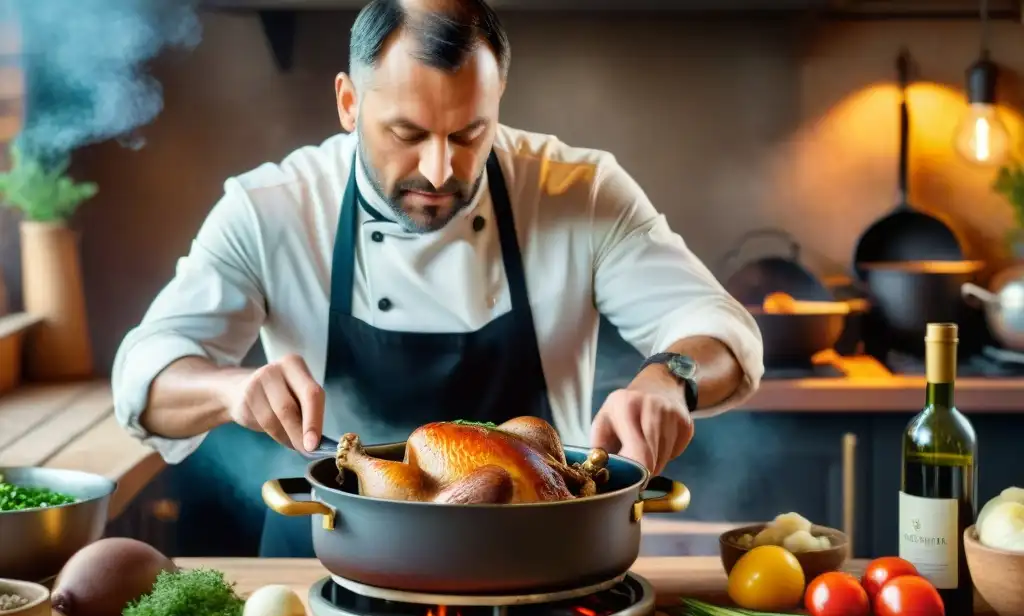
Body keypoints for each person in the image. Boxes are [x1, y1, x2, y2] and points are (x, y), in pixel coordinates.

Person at [112, 0, 764, 557]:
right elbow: (146, 374)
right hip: (334, 564)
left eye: (469, 133)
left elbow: (719, 330)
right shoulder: (271, 207)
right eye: (407, 132)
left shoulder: (581, 191)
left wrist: (670, 378)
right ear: (348, 102)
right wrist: (232, 389)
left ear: (497, 102)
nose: (440, 169)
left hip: (542, 565)